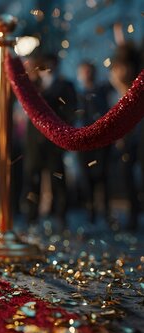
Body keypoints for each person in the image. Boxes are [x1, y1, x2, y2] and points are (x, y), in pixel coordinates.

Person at [22, 54, 77, 229]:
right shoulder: (34, 86)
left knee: (57, 178)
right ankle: (32, 215)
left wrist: (65, 131)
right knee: (33, 179)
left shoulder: (64, 85)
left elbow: (70, 110)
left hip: (55, 139)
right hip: (34, 141)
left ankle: (60, 215)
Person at [109, 42, 142, 231]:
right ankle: (133, 216)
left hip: (137, 132)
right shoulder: (119, 86)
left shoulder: (134, 86)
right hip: (128, 135)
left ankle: (134, 215)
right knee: (126, 175)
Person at [76, 61, 112, 224]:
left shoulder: (102, 91)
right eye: (84, 72)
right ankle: (91, 211)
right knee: (86, 178)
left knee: (102, 176)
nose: (87, 75)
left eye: (89, 71)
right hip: (84, 141)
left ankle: (105, 211)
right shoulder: (78, 94)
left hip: (102, 140)